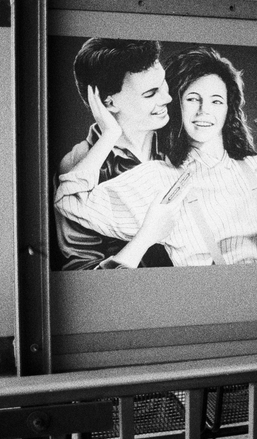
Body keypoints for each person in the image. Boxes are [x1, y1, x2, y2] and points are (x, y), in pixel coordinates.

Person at [54, 46, 257, 267]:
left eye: (216, 101)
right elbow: (69, 200)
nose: (204, 111)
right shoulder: (160, 179)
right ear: (178, 106)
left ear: (229, 108)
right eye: (192, 99)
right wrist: (110, 132)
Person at [55, 37, 174, 269]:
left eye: (164, 84)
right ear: (108, 103)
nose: (167, 98)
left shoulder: (183, 139)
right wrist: (145, 237)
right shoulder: (77, 168)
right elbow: (80, 271)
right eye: (150, 94)